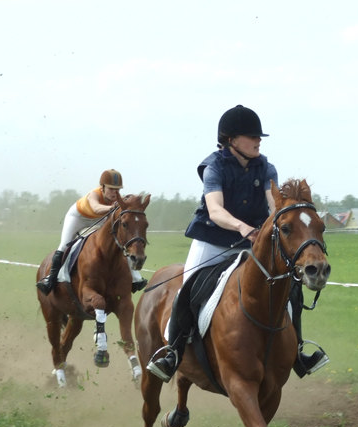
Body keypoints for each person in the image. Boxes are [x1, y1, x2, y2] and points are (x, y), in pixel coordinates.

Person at [147, 105, 329, 382]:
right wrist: (241, 226)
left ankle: (298, 350)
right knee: (188, 289)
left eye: (259, 137)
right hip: (213, 239)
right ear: (231, 140)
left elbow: (274, 207)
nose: (258, 141)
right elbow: (216, 210)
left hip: (254, 244)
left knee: (289, 287)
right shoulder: (214, 167)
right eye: (251, 136)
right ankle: (171, 352)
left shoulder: (266, 168)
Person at [36, 169, 147, 295]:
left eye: (117, 190)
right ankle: (50, 279)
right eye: (111, 189)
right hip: (78, 217)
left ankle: (135, 278)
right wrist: (111, 207)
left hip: (99, 219)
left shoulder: (117, 199)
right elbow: (96, 208)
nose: (115, 193)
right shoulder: (93, 195)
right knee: (64, 245)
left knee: (119, 243)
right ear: (103, 187)